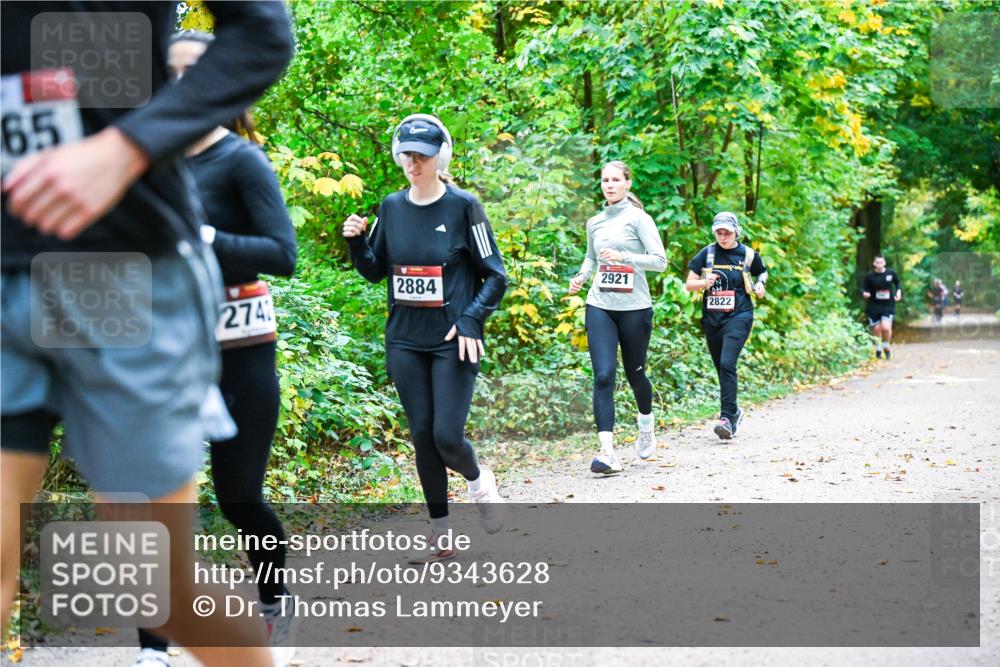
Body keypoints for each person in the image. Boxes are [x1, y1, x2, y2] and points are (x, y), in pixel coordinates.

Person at [1, 3, 293, 665]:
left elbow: (263, 32)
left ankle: (268, 607)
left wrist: (126, 148)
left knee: (159, 582)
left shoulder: (241, 162)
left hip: (124, 270)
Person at [132, 31, 298, 667]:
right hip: (166, 359)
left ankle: (274, 606)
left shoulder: (241, 162)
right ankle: (153, 646)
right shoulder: (143, 166)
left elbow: (281, 254)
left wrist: (199, 235)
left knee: (238, 499)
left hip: (241, 357)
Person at [343, 114, 508, 563]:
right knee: (421, 435)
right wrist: (358, 242)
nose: (413, 164)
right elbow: (376, 271)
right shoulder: (391, 207)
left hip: (454, 338)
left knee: (446, 436)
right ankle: (440, 530)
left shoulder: (464, 207)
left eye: (422, 156)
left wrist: (473, 319)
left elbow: (495, 276)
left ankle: (479, 482)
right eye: (406, 156)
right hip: (404, 341)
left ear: (441, 157)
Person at [568, 161, 666, 474]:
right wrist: (582, 276)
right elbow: (590, 256)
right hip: (600, 305)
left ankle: (646, 424)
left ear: (626, 184)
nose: (609, 185)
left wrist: (625, 256)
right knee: (603, 376)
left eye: (615, 180)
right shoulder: (595, 221)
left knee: (636, 374)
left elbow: (660, 262)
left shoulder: (639, 219)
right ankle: (607, 452)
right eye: (605, 180)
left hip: (635, 308)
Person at [685, 212, 768, 440]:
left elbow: (762, 272)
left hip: (740, 314)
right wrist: (703, 282)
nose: (723, 237)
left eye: (727, 232)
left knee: (727, 362)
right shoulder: (708, 253)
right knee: (722, 368)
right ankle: (734, 413)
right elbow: (689, 284)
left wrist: (760, 286)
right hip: (713, 318)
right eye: (719, 232)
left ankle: (725, 418)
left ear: (736, 232)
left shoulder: (748, 254)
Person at [861, 255, 902, 359]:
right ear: (874, 264)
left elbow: (898, 283)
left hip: (888, 305)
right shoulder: (869, 276)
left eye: (881, 262)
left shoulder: (890, 273)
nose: (879, 264)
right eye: (877, 262)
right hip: (874, 306)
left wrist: (898, 292)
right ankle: (878, 348)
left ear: (884, 263)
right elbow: (863, 288)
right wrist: (865, 293)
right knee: (877, 329)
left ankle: (886, 346)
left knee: (886, 327)